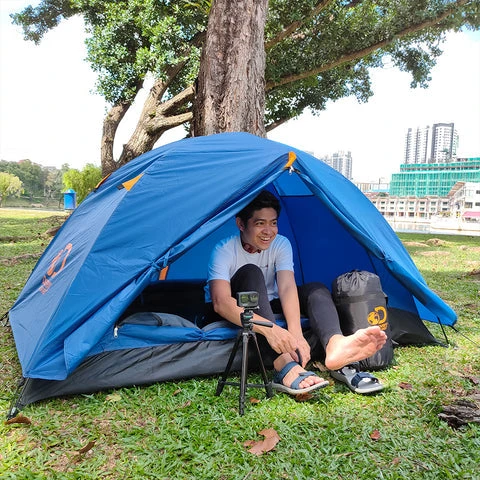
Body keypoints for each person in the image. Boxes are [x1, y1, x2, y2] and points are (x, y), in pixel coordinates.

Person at [204, 190, 387, 395]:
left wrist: (296, 334)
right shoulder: (224, 250)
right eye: (260, 223)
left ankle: (335, 346)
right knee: (251, 272)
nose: (268, 231)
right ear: (240, 224)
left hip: (267, 303)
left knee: (315, 289)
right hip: (232, 309)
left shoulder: (280, 244)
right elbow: (221, 302)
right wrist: (272, 330)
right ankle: (284, 364)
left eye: (273, 223)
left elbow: (287, 288)